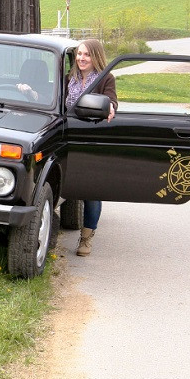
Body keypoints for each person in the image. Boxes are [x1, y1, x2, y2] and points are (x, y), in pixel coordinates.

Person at [65, 39, 117, 256]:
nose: (81, 58)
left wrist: (110, 107)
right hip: (68, 135)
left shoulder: (106, 78)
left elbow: (112, 101)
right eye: (79, 54)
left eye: (86, 54)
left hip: (92, 137)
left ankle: (86, 238)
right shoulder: (70, 77)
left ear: (95, 56)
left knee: (91, 190)